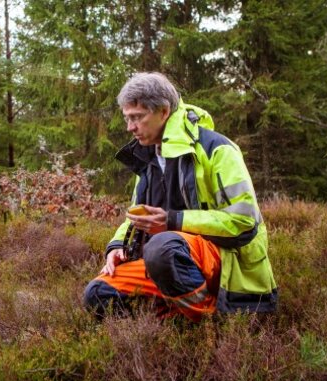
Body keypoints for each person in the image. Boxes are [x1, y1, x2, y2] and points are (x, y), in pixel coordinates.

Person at [83, 72, 278, 321]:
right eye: (127, 118)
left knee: (162, 248)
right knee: (98, 293)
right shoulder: (148, 159)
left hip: (223, 259)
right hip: (166, 260)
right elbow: (135, 217)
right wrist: (118, 246)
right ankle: (167, 328)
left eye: (137, 118)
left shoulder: (218, 149)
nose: (130, 127)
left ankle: (208, 324)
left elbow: (244, 222)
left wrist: (173, 221)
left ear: (163, 111)